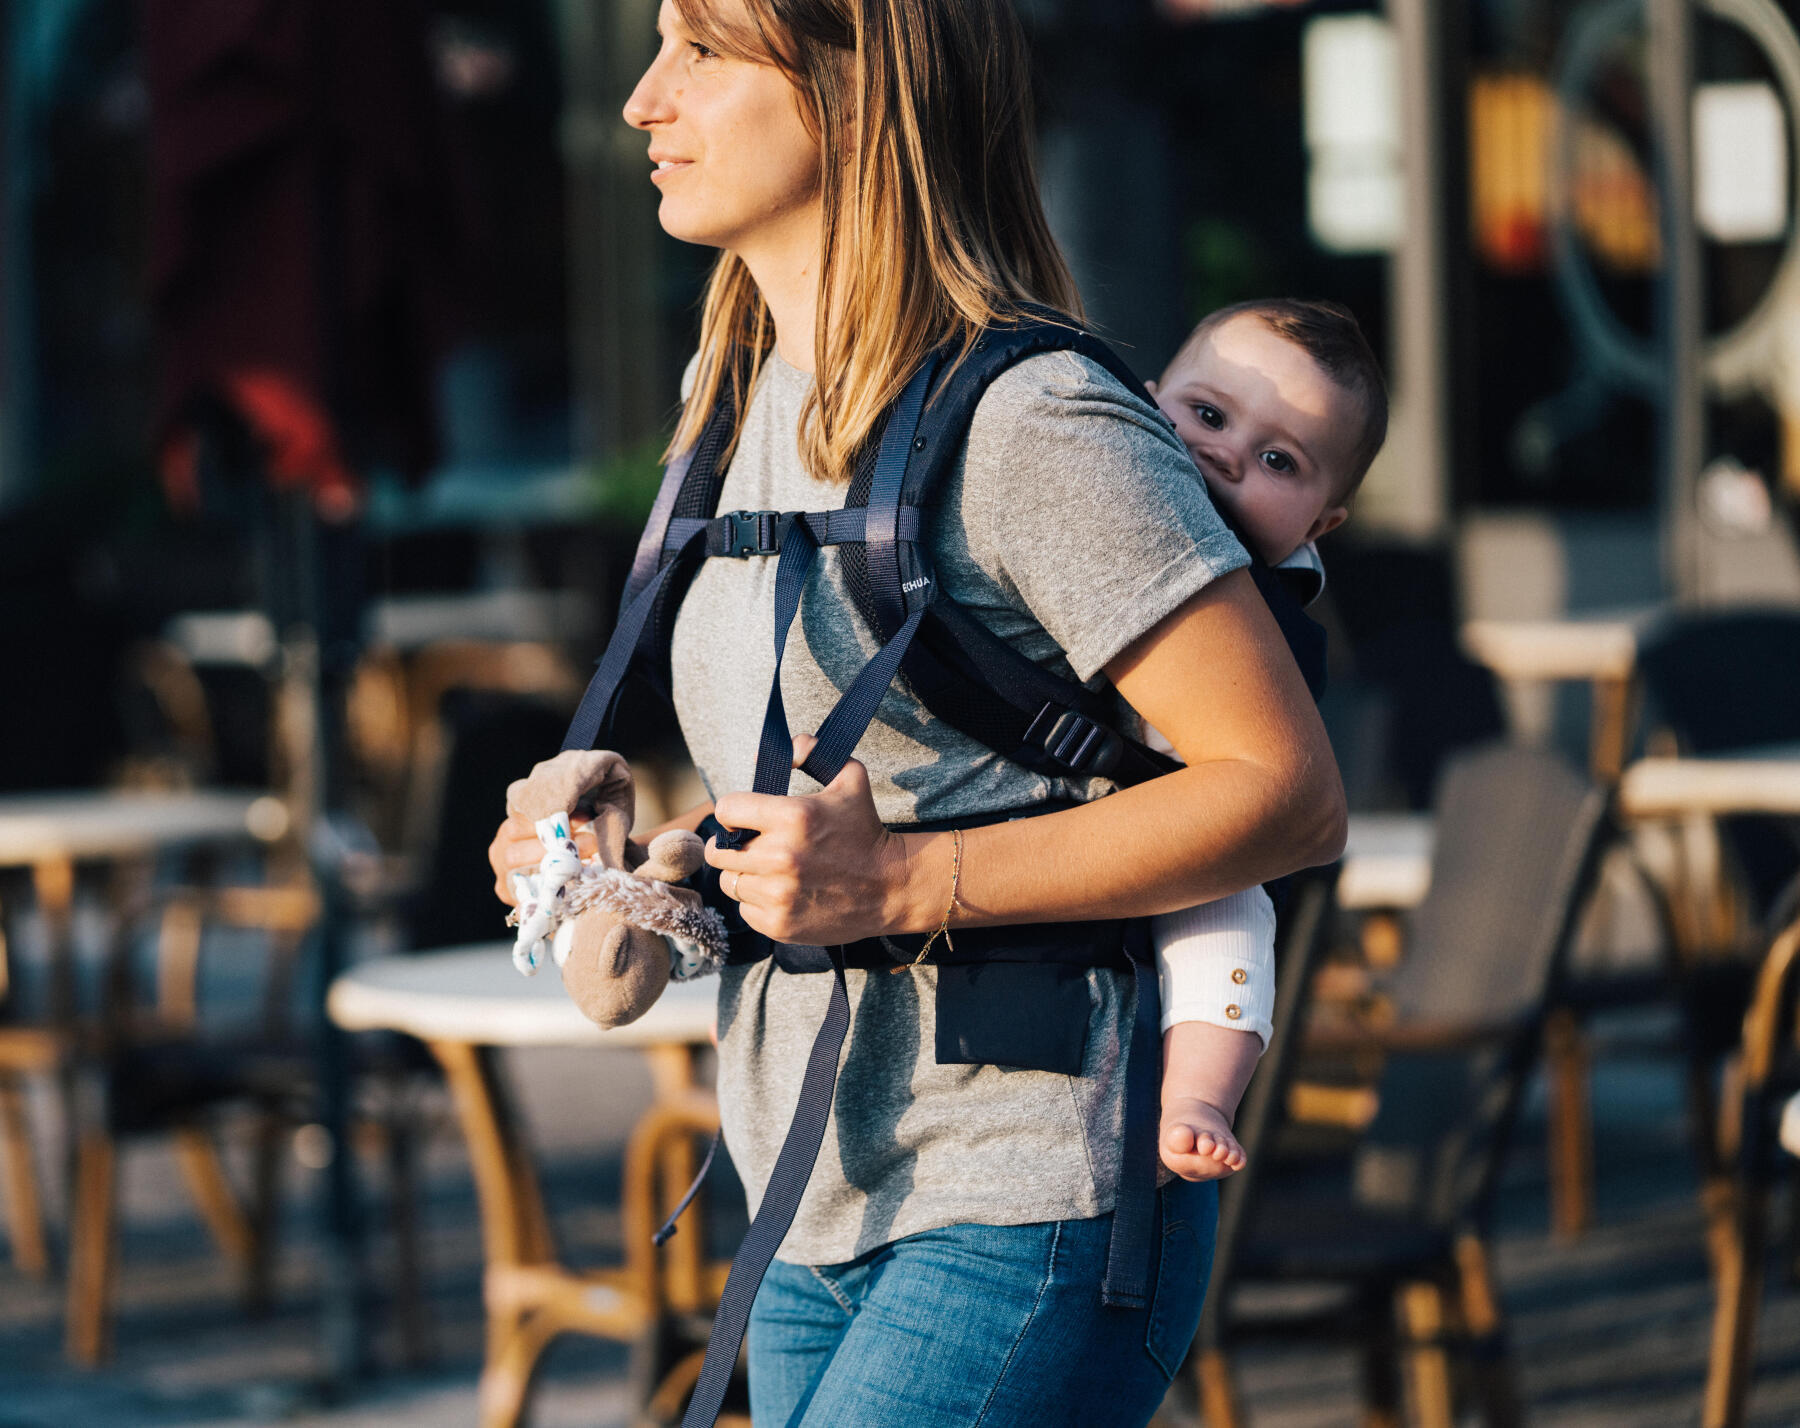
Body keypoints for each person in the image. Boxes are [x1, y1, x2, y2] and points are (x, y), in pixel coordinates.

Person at [488, 2, 1346, 1423]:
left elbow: (1286, 787)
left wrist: (903, 881)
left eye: (701, 49)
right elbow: (740, 870)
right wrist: (602, 869)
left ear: (854, 83)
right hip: (808, 1193)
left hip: (1031, 1193)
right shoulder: (729, 397)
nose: (644, 100)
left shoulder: (1037, 423)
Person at [1141, 297, 1388, 1183]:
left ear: (1319, 526)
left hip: (1183, 830)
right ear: (1141, 400)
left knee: (1232, 914)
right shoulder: (1086, 522)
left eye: (1278, 461)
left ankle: (1199, 1096)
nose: (1225, 453)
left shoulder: (1277, 615)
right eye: (1206, 414)